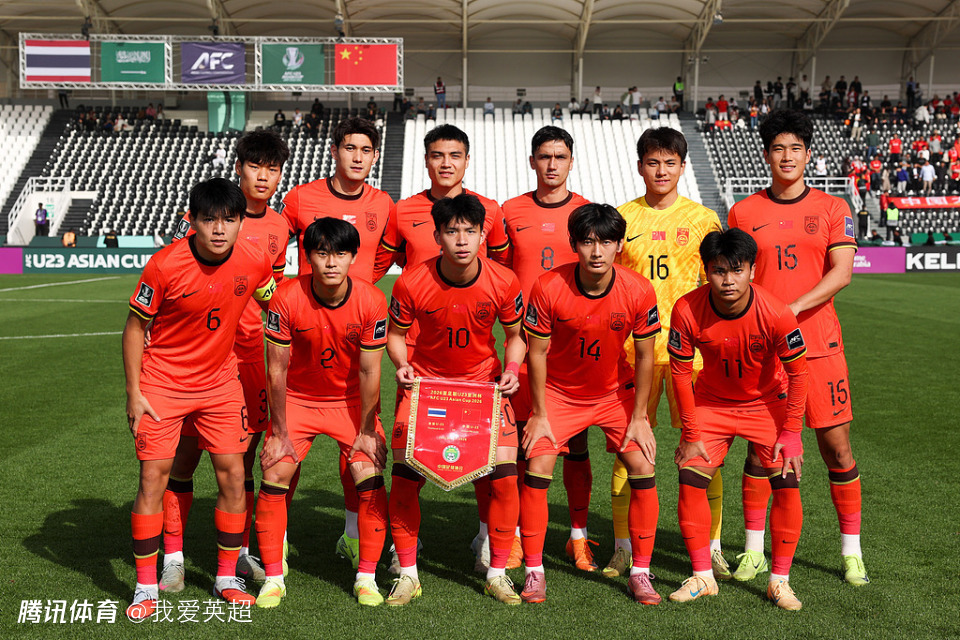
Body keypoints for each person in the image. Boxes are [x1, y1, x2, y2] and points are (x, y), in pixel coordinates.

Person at [121, 178, 277, 620]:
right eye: (209, 220)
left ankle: (226, 578)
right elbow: (135, 327)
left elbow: (274, 303)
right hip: (163, 383)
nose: (219, 229)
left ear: (241, 221)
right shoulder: (164, 265)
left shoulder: (255, 260)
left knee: (233, 475)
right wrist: (134, 393)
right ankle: (145, 587)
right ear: (192, 220)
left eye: (229, 220)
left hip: (220, 383)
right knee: (153, 478)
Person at [728, 109, 867, 587]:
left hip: (820, 345)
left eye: (795, 148)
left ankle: (852, 553)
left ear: (808, 154)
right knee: (760, 452)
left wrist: (790, 308)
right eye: (778, 149)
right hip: (765, 350)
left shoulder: (833, 207)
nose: (786, 156)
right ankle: (753, 550)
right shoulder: (744, 212)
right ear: (766, 155)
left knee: (837, 449)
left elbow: (842, 273)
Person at [162, 131, 291, 592]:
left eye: (272, 169)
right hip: (197, 360)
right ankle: (173, 557)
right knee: (183, 457)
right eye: (255, 166)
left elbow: (274, 296)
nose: (263, 176)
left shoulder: (280, 227)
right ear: (239, 167)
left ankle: (237, 553)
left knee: (241, 461)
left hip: (250, 359)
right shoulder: (208, 216)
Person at [385, 193, 525, 606]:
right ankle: (407, 573)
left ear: (483, 236)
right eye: (452, 231)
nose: (461, 240)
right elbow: (395, 336)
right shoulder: (411, 281)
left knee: (505, 478)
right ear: (437, 236)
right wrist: (402, 363)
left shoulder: (504, 280)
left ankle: (497, 573)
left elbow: (517, 337)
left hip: (483, 389)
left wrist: (512, 369)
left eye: (470, 231)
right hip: (427, 389)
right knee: (404, 480)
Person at [520, 203, 661, 605]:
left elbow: (646, 356)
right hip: (559, 394)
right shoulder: (548, 286)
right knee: (538, 464)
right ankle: (534, 571)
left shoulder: (638, 289)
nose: (596, 252)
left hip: (614, 393)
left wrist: (640, 417)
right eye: (587, 242)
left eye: (606, 242)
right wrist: (539, 413)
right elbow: (537, 352)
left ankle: (641, 572)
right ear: (573, 244)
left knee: (642, 464)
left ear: (620, 244)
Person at [668, 228, 807, 610]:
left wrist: (792, 432)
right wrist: (691, 432)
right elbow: (680, 373)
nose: (728, 280)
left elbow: (799, 374)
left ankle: (779, 581)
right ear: (706, 271)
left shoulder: (776, 312)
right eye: (718, 271)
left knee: (787, 482)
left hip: (766, 403)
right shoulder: (687, 309)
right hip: (712, 404)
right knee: (690, 478)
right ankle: (703, 576)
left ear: (752, 270)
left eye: (736, 270)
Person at [255, 217, 389, 608]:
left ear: (353, 257)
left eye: (340, 253)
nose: (331, 262)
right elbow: (276, 369)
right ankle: (273, 579)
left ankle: (366, 578)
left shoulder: (371, 300)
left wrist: (367, 430)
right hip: (298, 400)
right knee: (275, 470)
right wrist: (278, 432)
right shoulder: (285, 297)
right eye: (322, 253)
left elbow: (370, 371)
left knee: (368, 473)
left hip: (349, 403)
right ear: (308, 257)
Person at [279, 116, 394, 566]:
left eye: (365, 150)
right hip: (304, 334)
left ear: (375, 156)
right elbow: (273, 242)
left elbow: (382, 256)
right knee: (284, 450)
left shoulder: (383, 203)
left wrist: (360, 291)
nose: (357, 157)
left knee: (359, 447)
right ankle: (274, 538)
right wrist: (277, 292)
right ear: (334, 151)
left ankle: (352, 534)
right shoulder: (300, 197)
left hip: (355, 334)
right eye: (349, 148)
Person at [611, 127, 724, 579]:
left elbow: (719, 286)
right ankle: (623, 547)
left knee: (703, 449)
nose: (661, 171)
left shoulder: (703, 219)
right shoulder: (622, 218)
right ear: (640, 166)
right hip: (632, 353)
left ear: (682, 166)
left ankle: (712, 546)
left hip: (689, 356)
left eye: (670, 163)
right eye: (653, 162)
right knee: (629, 446)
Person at [501, 127, 591, 571]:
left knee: (577, 447)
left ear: (572, 161)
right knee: (524, 443)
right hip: (523, 342)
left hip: (573, 348)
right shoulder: (510, 211)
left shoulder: (586, 212)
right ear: (532, 161)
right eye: (544, 156)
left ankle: (578, 536)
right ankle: (519, 535)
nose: (552, 164)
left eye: (560, 156)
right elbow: (499, 273)